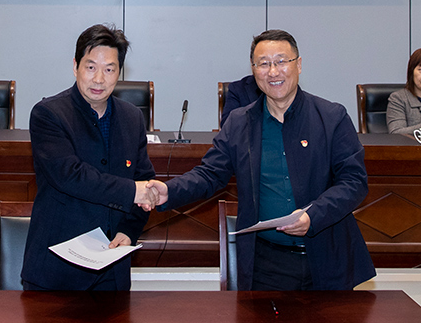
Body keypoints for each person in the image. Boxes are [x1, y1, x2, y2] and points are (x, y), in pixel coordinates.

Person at [146, 30, 374, 291]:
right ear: (254, 70)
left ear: (299, 64)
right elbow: (210, 174)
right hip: (266, 264)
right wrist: (169, 191)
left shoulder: (331, 117)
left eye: (281, 61)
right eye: (263, 64)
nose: (273, 72)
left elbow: (354, 182)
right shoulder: (240, 123)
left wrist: (313, 215)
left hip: (328, 257)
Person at [21, 24, 157, 291]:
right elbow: (70, 176)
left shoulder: (131, 117)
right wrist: (132, 191)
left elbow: (144, 180)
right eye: (91, 67)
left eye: (109, 69)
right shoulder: (48, 114)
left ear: (119, 72)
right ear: (75, 66)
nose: (99, 79)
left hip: (112, 271)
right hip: (56, 271)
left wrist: (129, 231)